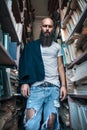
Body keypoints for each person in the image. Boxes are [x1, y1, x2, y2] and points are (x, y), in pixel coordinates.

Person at [19, 17, 67, 130]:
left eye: (50, 27)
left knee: (50, 124)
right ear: (41, 28)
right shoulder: (31, 47)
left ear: (53, 29)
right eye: (45, 26)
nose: (47, 29)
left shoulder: (57, 47)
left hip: (53, 89)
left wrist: (63, 85)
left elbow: (60, 66)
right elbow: (24, 64)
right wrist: (24, 82)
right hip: (36, 89)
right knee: (30, 125)